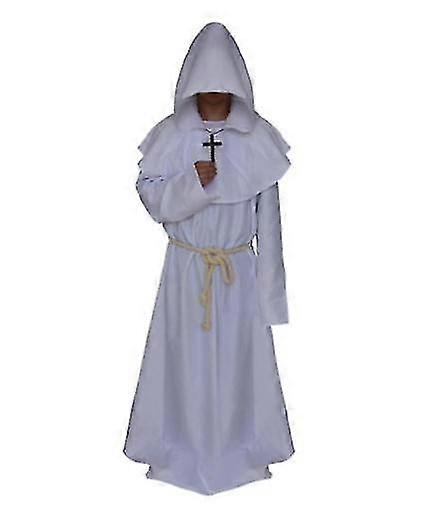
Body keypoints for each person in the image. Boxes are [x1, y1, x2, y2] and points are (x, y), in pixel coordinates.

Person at [124, 21, 294, 495]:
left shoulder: (260, 139)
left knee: (238, 363)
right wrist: (191, 184)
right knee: (182, 361)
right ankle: (177, 451)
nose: (215, 90)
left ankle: (241, 451)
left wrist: (271, 298)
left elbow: (271, 226)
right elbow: (153, 201)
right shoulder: (168, 135)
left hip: (238, 271)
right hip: (185, 270)